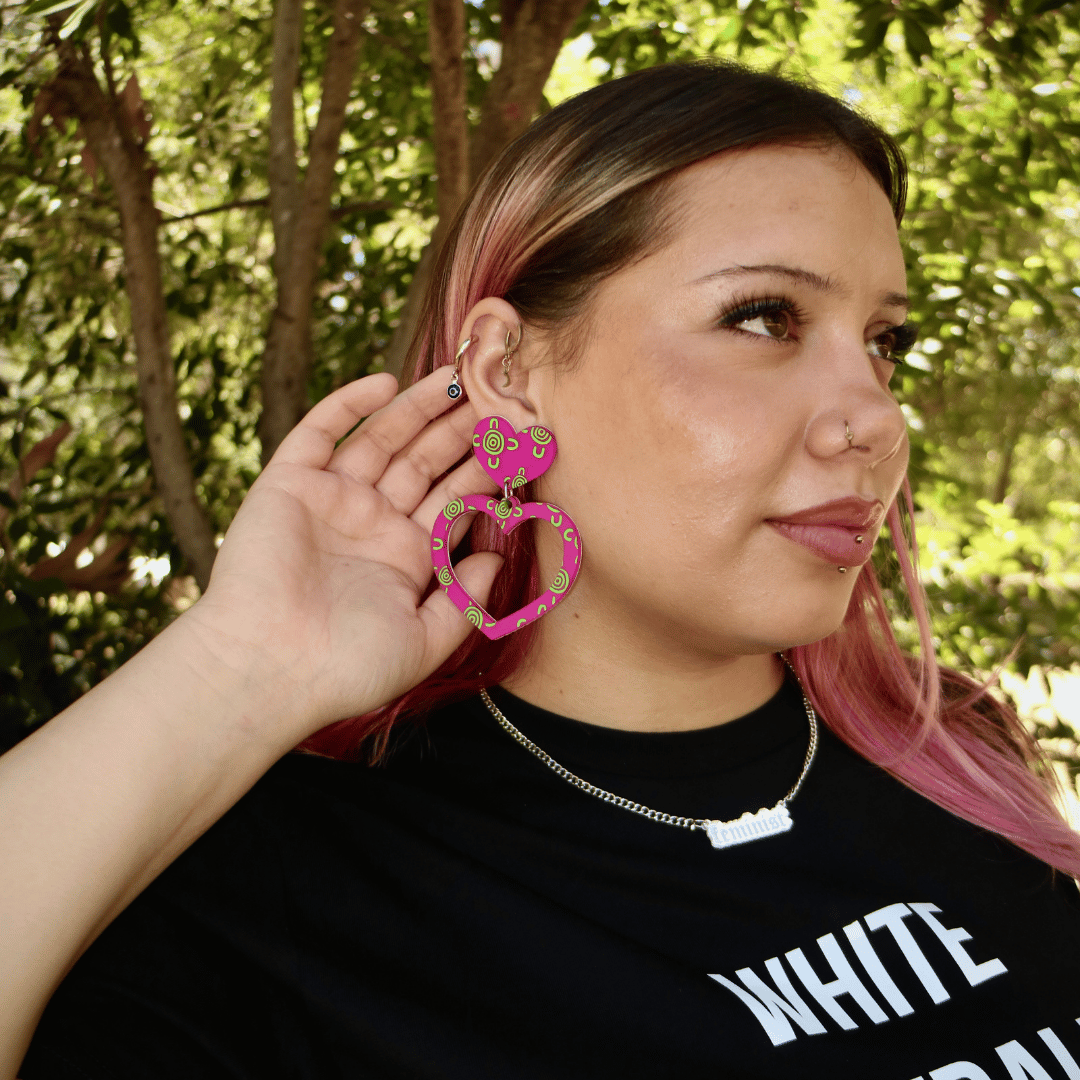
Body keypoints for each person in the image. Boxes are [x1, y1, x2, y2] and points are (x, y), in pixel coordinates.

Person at [4, 60, 1080, 1080]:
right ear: (508, 373)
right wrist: (239, 668)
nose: (875, 421)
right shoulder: (290, 899)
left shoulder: (955, 751)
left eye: (884, 341)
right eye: (765, 318)